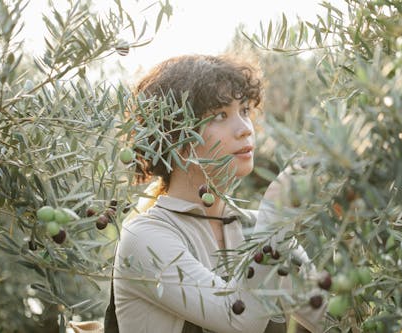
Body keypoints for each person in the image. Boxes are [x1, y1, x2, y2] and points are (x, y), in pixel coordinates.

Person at [112, 54, 327, 333]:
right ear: (175, 136)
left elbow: (335, 321)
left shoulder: (255, 227)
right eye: (220, 115)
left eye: (245, 110)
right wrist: (275, 213)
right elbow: (239, 320)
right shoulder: (145, 238)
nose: (245, 129)